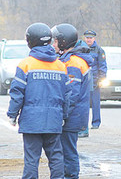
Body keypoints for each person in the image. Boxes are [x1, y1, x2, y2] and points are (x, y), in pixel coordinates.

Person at [7, 22, 71, 179]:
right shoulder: (60, 66)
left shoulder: (25, 65)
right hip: (53, 121)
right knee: (56, 158)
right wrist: (64, 115)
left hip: (31, 122)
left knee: (31, 160)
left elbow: (17, 93)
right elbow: (67, 95)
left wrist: (12, 114)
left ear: (30, 41)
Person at [51, 24, 93, 178]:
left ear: (63, 42)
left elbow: (71, 95)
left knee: (68, 152)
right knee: (65, 151)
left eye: (55, 42)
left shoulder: (73, 63)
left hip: (71, 117)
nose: (53, 45)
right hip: (71, 115)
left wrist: (62, 115)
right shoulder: (68, 59)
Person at [83, 30, 107, 133]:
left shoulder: (99, 50)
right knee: (83, 104)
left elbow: (102, 66)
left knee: (96, 103)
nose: (88, 39)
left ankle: (96, 123)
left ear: (94, 39)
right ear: (85, 38)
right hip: (84, 81)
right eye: (87, 38)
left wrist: (102, 79)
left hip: (95, 82)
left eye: (90, 38)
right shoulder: (82, 49)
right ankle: (83, 124)